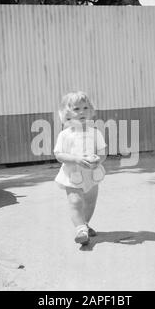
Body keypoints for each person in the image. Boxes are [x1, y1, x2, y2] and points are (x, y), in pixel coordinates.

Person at [54, 91, 107, 245]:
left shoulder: (95, 133)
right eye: (77, 109)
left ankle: (85, 224)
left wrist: (98, 159)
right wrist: (76, 159)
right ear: (67, 114)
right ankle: (80, 230)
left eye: (85, 107)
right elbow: (59, 155)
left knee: (90, 203)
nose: (82, 111)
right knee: (76, 202)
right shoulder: (64, 135)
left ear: (90, 110)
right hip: (73, 175)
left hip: (92, 174)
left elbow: (102, 152)